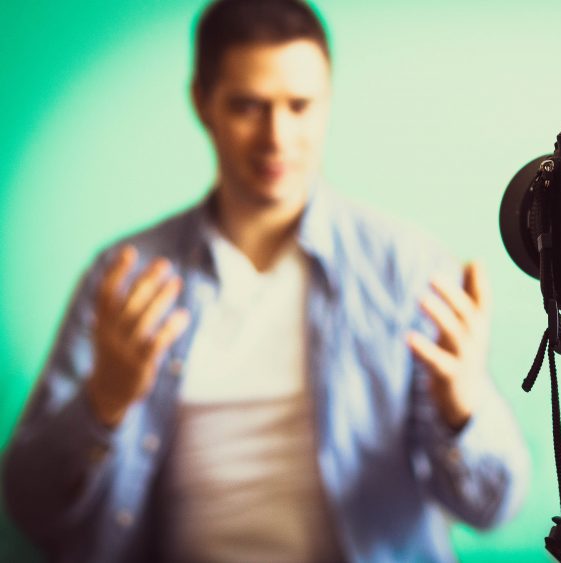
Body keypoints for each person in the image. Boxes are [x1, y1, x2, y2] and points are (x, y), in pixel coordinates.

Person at [1, 1, 529, 561]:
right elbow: (29, 508)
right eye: (248, 106)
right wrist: (101, 405)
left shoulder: (408, 270)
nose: (277, 136)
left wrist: (462, 411)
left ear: (327, 104)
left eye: (300, 106)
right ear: (202, 102)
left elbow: (494, 507)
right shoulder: (124, 280)